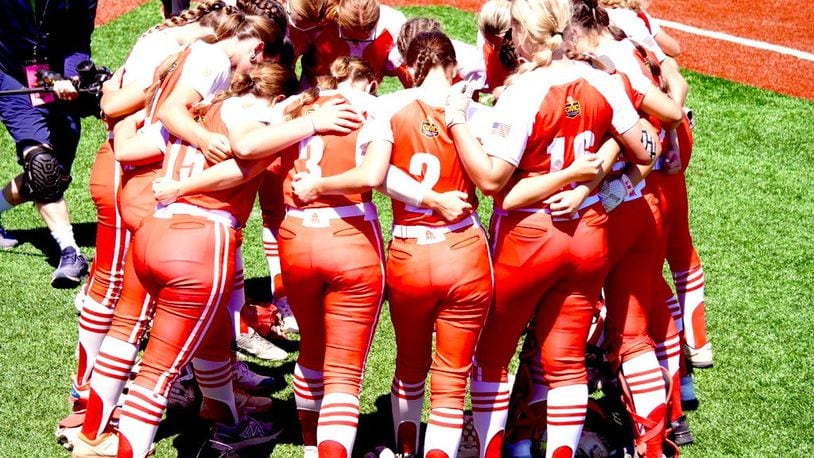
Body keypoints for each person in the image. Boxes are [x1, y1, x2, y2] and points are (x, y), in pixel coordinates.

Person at [444, 0, 655, 454]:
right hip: (589, 231)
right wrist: (594, 177)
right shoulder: (603, 81)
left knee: (492, 358)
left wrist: (458, 122)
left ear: (522, 32)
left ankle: (490, 449)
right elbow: (646, 147)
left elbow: (491, 179)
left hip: (528, 238)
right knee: (566, 362)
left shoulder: (525, 92)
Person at [293, 31, 494, 457]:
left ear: (408, 67)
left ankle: (405, 451)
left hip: (410, 252)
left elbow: (376, 175)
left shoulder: (384, 106)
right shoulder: (476, 112)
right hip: (465, 250)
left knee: (409, 366)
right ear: (452, 66)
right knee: (452, 377)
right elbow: (496, 177)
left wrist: (427, 199)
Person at [0, 0, 97, 287]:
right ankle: (70, 252)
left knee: (53, 176)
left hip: (58, 78)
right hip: (11, 76)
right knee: (41, 166)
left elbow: (78, 37)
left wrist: (71, 76)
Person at [299, 0, 406, 87]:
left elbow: (411, 79)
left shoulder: (395, 25)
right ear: (338, 20)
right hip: (316, 90)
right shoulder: (317, 23)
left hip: (364, 94)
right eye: (352, 38)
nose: (357, 45)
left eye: (365, 38)